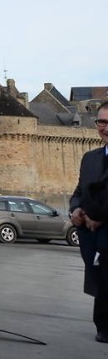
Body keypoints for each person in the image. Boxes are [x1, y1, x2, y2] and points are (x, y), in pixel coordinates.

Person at [69, 100, 108, 343]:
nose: (105, 127)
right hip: (91, 236)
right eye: (102, 122)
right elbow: (79, 191)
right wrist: (76, 209)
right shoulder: (90, 158)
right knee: (99, 279)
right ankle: (102, 325)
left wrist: (100, 218)